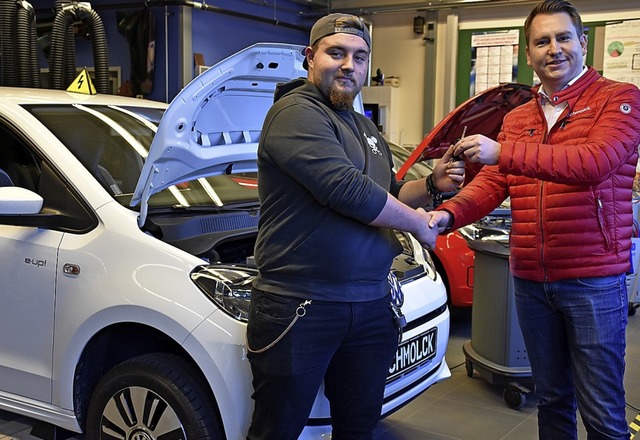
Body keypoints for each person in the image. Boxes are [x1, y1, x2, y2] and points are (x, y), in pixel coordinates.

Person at [246, 12, 465, 440]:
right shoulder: (294, 113)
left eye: (359, 57)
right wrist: (420, 224)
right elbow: (346, 191)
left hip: (370, 304)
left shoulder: (363, 125)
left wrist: (432, 185)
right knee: (279, 428)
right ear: (310, 58)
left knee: (359, 426)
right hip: (301, 306)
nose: (349, 65)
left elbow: (388, 191)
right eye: (337, 53)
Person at [427, 1, 640, 439]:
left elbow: (593, 162)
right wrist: (446, 214)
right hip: (530, 278)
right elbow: (493, 183)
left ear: (583, 43)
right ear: (529, 54)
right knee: (552, 399)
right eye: (542, 41)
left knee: (601, 411)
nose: (554, 49)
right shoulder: (519, 117)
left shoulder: (618, 99)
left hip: (593, 278)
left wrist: (501, 151)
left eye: (563, 38)